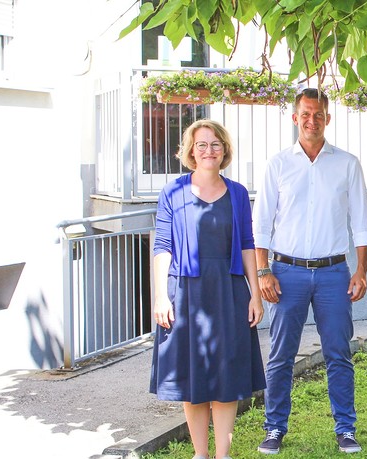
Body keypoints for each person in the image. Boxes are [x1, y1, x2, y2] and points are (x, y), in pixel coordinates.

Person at [253, 88, 367, 455]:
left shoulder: (347, 164)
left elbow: (362, 221)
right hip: (285, 273)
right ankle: (274, 428)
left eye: (318, 114)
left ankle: (345, 429)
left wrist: (361, 270)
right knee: (281, 355)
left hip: (334, 273)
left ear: (327, 119)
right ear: (294, 117)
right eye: (305, 114)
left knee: (338, 352)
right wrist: (263, 272)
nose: (311, 120)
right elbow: (261, 224)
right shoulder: (278, 164)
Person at [150, 119, 265, 459]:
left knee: (226, 376)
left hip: (229, 293)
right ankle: (201, 455)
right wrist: (160, 295)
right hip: (185, 294)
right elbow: (162, 247)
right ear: (191, 151)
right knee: (193, 378)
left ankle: (222, 455)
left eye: (215, 144)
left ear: (224, 150)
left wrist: (255, 293)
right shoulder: (172, 192)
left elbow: (247, 244)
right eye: (202, 144)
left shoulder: (239, 193)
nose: (209, 150)